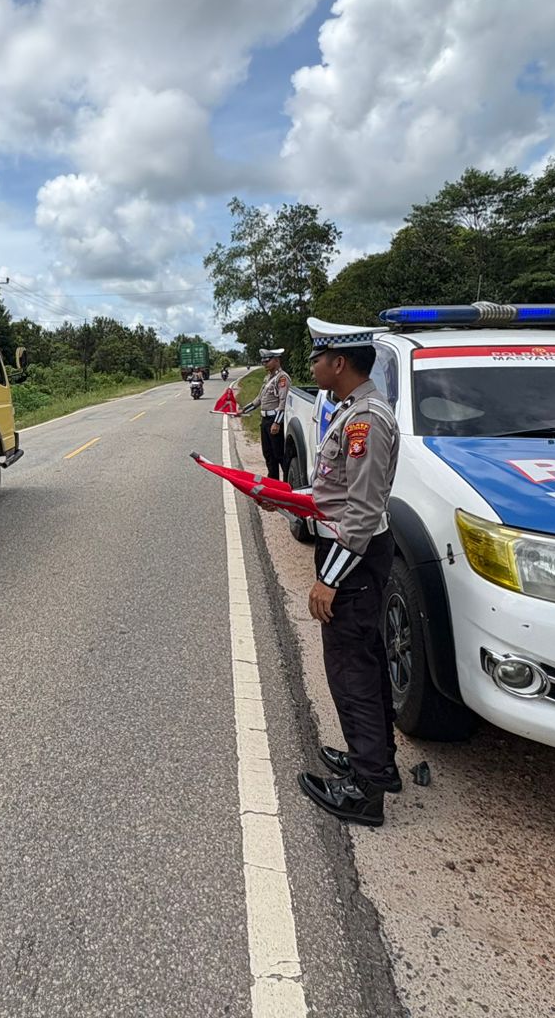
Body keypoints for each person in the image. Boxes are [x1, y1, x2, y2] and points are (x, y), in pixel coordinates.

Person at [296, 325, 401, 827]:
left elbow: (361, 511)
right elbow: (340, 491)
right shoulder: (352, 411)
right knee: (365, 658)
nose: (312, 364)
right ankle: (377, 763)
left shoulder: (366, 420)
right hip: (355, 548)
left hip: (353, 555)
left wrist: (329, 579)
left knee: (350, 669)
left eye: (318, 355)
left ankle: (365, 791)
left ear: (340, 363)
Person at [239, 349, 290, 480]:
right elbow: (259, 399)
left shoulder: (282, 378)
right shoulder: (268, 378)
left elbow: (283, 402)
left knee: (279, 455)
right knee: (268, 455)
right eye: (263, 361)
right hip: (265, 420)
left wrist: (277, 423)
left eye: (267, 361)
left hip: (274, 420)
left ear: (277, 360)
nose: (264, 364)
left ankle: (287, 486)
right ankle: (273, 485)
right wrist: (244, 410)